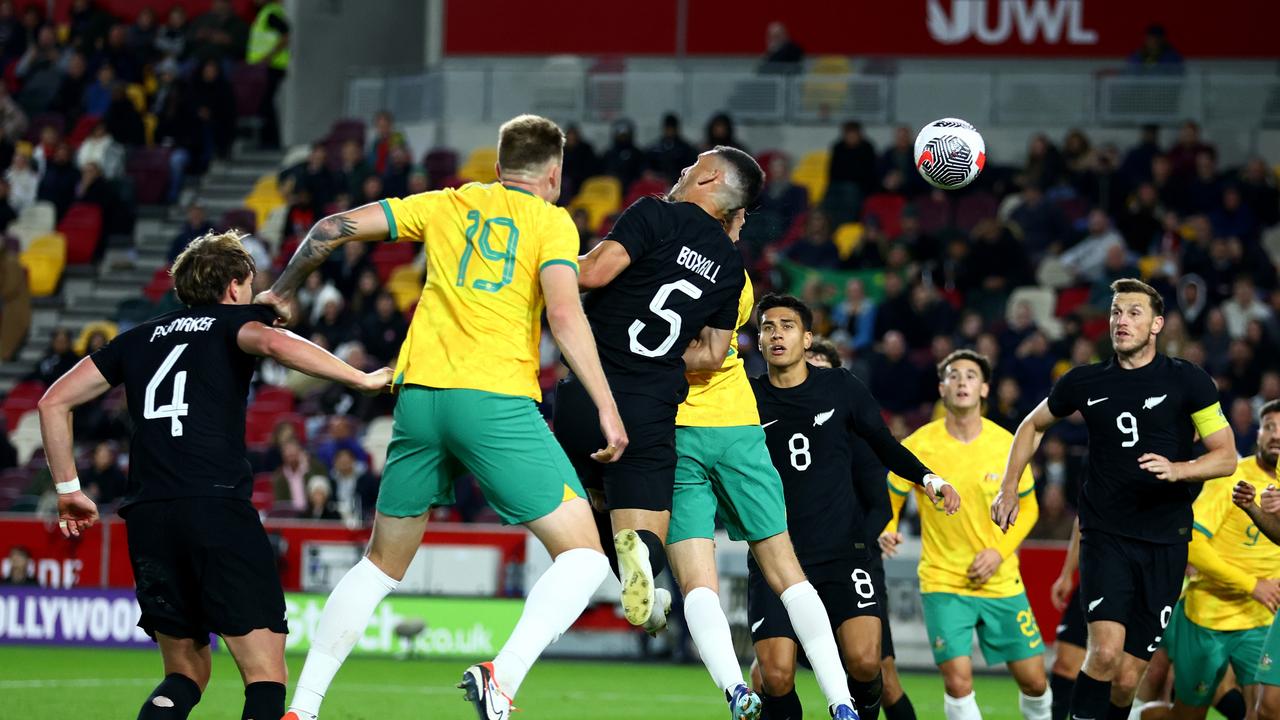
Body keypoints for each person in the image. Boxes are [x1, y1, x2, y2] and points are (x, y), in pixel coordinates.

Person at [256, 114, 627, 720]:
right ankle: (499, 679)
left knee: (379, 565)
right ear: (554, 173)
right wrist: (608, 409)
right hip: (494, 399)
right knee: (585, 558)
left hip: (421, 397)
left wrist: (284, 288)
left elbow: (332, 226)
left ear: (501, 165)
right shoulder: (552, 221)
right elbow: (564, 315)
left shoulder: (448, 202)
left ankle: (303, 707)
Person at [38, 230, 389, 720]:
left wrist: (69, 490)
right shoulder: (235, 324)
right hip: (216, 507)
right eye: (247, 285)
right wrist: (361, 378)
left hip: (149, 515)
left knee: (185, 673)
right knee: (265, 674)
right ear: (233, 287)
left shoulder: (137, 338)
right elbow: (269, 340)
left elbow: (53, 401)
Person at [991, 278, 1238, 720]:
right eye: (1115, 312)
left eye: (1133, 313)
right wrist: (1008, 486)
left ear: (1157, 324)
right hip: (1106, 536)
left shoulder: (1188, 380)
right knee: (1103, 653)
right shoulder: (1085, 381)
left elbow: (1226, 457)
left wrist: (1178, 469)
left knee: (1127, 678)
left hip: (1165, 541)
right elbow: (1031, 426)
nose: (1121, 321)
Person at [666, 278, 874, 716]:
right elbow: (715, 350)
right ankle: (841, 702)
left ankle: (735, 690)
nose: (775, 334)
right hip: (736, 425)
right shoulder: (729, 273)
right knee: (788, 573)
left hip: (678, 426)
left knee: (696, 584)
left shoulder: (640, 274)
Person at [751, 294, 958, 720]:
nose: (777, 334)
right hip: (776, 555)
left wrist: (929, 478)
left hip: (843, 553)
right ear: (758, 341)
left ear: (807, 338)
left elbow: (884, 445)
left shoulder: (841, 387)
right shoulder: (744, 400)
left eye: (787, 326)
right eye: (768, 327)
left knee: (866, 662)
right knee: (774, 675)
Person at [882, 349, 1051, 720]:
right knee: (958, 683)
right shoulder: (917, 445)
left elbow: (1030, 508)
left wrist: (998, 553)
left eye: (971, 376)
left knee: (1035, 682)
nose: (962, 382)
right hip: (943, 580)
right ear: (941, 388)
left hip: (1001, 580)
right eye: (953, 375)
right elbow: (890, 495)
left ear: (985, 388)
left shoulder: (1008, 443)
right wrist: (889, 528)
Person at [1165, 400, 1280, 719]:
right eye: (1269, 427)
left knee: (1268, 711)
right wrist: (1252, 584)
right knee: (1187, 714)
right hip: (1209, 618)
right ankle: (1143, 713)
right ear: (1257, 435)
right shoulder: (1231, 476)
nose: (1276, 435)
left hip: (1263, 621)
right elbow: (1193, 544)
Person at [246, 0, 289, 150]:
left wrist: (269, 56)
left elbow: (285, 36)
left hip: (270, 67)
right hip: (266, 68)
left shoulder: (270, 13)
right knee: (265, 103)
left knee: (266, 104)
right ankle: (267, 141)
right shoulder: (266, 13)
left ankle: (270, 142)